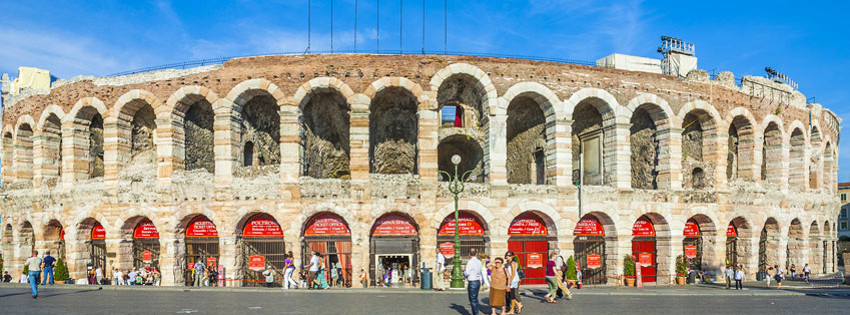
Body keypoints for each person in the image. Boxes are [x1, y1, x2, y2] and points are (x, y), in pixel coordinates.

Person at [463, 248, 483, 315]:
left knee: (472, 299)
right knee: (476, 298)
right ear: (476, 254)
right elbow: (480, 271)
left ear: (469, 254)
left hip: (472, 281)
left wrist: (464, 273)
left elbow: (467, 273)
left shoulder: (470, 262)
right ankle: (476, 311)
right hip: (477, 281)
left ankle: (475, 313)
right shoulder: (479, 261)